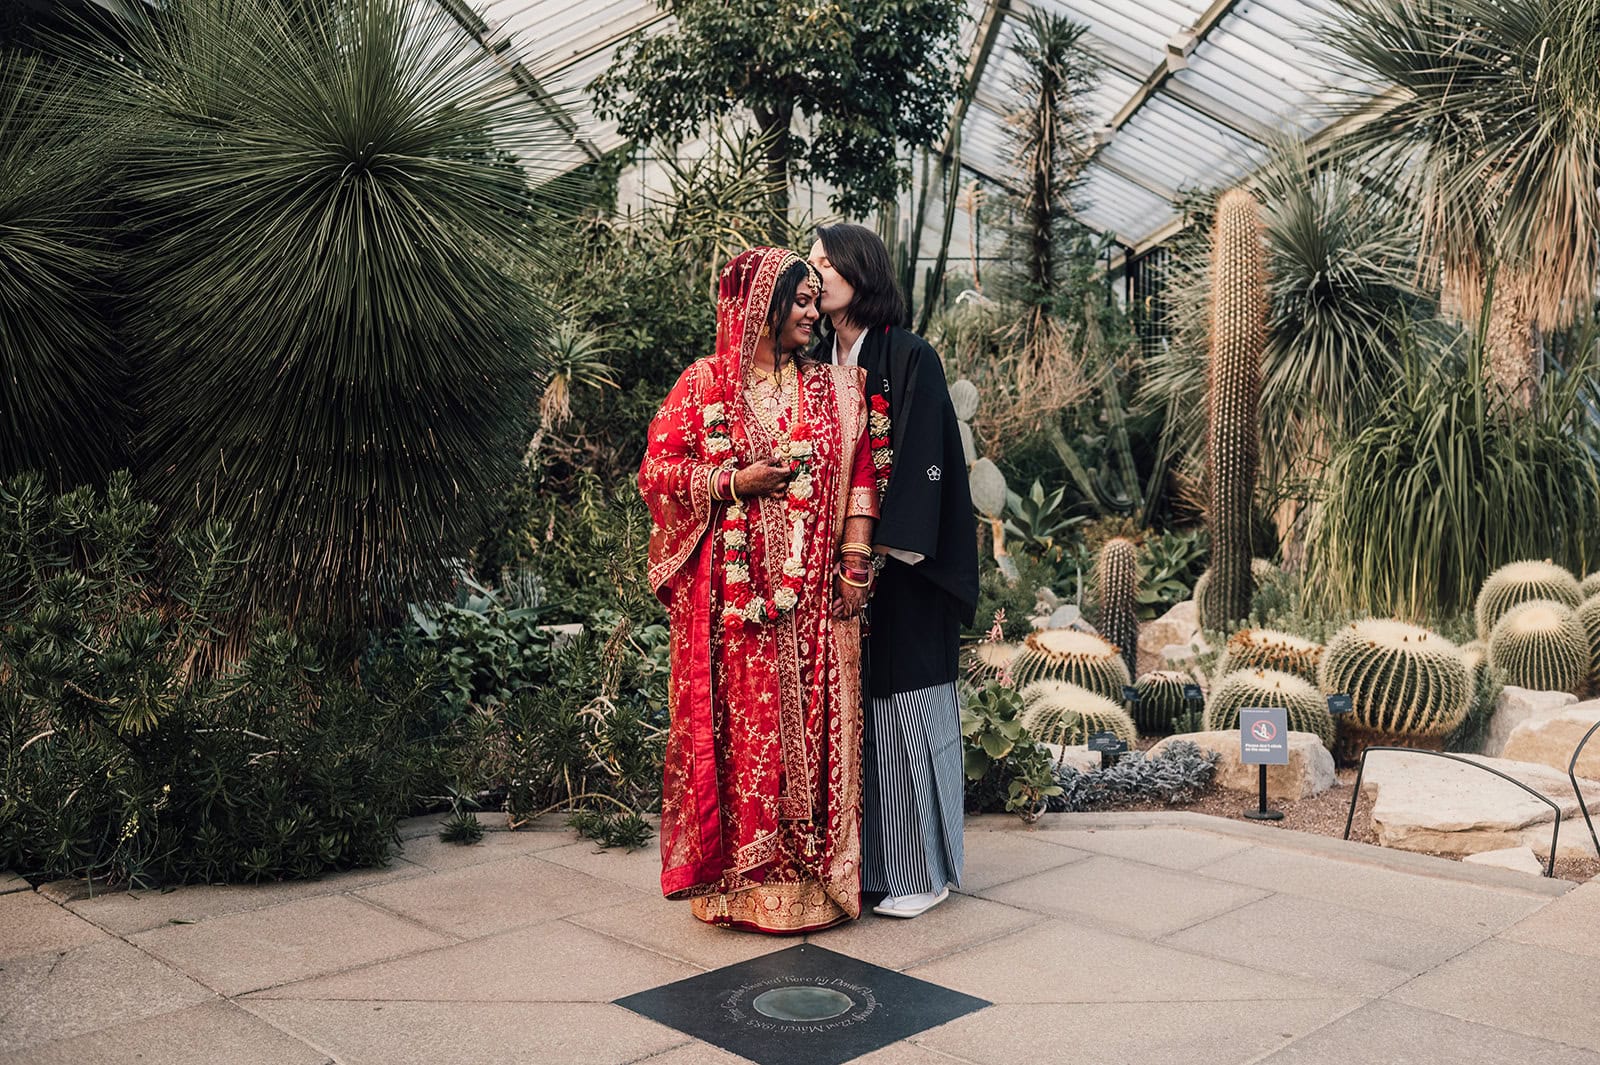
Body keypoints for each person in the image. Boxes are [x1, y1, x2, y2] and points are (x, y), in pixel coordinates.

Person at [639, 246, 880, 933]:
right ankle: (736, 886)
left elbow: (861, 471)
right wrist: (729, 482)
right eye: (800, 302)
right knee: (743, 739)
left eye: (814, 300)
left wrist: (855, 565)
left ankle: (811, 885)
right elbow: (658, 472)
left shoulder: (833, 389)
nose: (812, 313)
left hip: (813, 608)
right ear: (760, 309)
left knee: (813, 736)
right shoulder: (705, 383)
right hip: (733, 611)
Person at [808, 223, 979, 919]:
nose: (813, 274)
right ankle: (874, 863)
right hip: (833, 566)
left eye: (824, 262)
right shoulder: (814, 362)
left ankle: (925, 872)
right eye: (810, 264)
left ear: (859, 271)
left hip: (904, 569)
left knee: (908, 714)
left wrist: (877, 551)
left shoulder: (910, 357)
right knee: (855, 721)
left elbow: (925, 460)